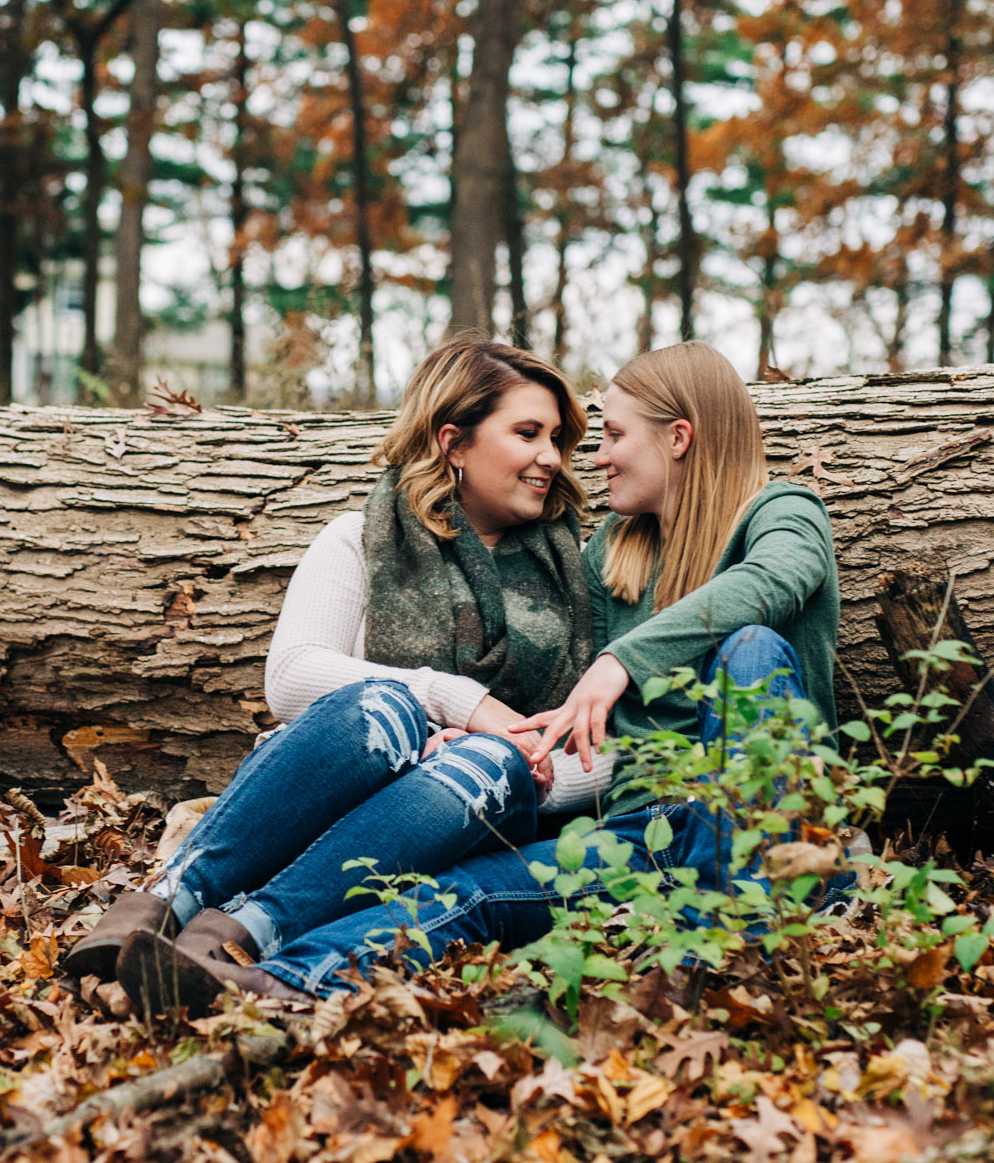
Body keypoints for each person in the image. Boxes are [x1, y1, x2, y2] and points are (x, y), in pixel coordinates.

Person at [118, 341, 841, 1009]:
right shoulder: (615, 554)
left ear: (678, 437)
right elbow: (576, 728)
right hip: (635, 825)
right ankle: (264, 981)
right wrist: (465, 733)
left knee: (750, 647)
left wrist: (618, 664)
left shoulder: (782, 511)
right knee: (459, 894)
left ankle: (736, 937)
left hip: (743, 816)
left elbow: (776, 578)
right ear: (452, 442)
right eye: (540, 435)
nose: (585, 457)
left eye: (609, 435)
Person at [61, 338, 610, 996]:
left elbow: (603, 743)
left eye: (557, 437)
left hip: (468, 821)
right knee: (387, 706)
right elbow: (291, 677)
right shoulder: (360, 539)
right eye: (527, 433)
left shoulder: (576, 571)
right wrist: (451, 703)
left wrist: (516, 750)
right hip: (322, 797)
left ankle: (246, 931)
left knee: (490, 762)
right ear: (452, 441)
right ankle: (163, 905)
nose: (550, 457)